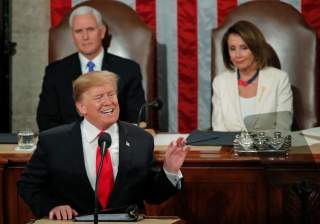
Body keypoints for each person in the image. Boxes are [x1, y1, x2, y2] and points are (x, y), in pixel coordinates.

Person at [18, 71, 189, 220]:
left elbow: (153, 195)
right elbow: (28, 185)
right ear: (81, 107)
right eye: (99, 97)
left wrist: (169, 170)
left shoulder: (141, 139)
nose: (109, 102)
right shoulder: (54, 141)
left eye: (111, 94)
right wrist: (52, 206)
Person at [36, 6, 146, 132]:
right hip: (69, 145)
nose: (85, 37)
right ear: (73, 35)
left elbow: (136, 118)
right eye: (78, 31)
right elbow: (45, 120)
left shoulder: (128, 70)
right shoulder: (55, 72)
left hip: (114, 144)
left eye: (90, 29)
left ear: (102, 32)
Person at [211, 20, 293, 131]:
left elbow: (282, 129)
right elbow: (219, 130)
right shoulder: (220, 82)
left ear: (256, 48)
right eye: (232, 49)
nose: (238, 55)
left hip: (269, 147)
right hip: (230, 147)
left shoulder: (279, 79)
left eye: (244, 48)